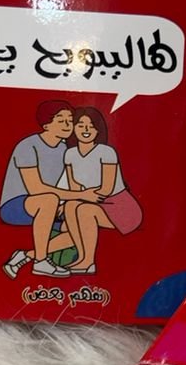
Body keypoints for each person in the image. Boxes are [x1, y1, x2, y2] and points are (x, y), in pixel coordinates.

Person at [0, 99, 104, 278]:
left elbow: (65, 183)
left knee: (79, 228)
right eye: (61, 120)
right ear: (46, 124)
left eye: (70, 120)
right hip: (16, 206)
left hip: (50, 205)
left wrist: (66, 204)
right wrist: (80, 195)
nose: (67, 125)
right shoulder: (27, 146)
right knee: (49, 199)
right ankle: (40, 262)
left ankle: (25, 256)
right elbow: (36, 188)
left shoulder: (64, 149)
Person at [60, 107, 142, 274]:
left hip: (120, 207)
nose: (86, 129)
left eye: (91, 126)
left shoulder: (106, 152)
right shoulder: (70, 154)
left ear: (98, 130)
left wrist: (83, 196)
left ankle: (89, 261)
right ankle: (82, 257)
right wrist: (74, 198)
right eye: (81, 125)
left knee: (84, 210)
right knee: (70, 206)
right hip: (91, 201)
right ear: (74, 128)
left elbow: (107, 188)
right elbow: (74, 187)